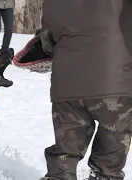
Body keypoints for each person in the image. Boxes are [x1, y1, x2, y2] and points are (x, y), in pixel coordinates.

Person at [37, 0, 132, 179]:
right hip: (116, 83)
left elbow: (47, 42)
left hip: (67, 85)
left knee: (64, 158)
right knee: (108, 165)